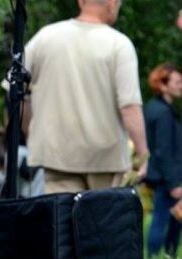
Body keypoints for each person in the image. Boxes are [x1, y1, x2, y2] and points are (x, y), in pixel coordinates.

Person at [22, 0, 149, 194]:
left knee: (62, 220)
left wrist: (30, 132)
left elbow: (18, 95)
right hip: (105, 160)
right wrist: (142, 155)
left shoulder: (45, 37)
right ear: (113, 3)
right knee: (100, 221)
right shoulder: (119, 44)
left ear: (80, 1)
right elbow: (129, 107)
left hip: (56, 157)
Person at [143, 63, 182, 259]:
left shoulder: (157, 108)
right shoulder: (163, 113)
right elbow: (164, 150)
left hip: (163, 174)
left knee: (174, 217)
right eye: (177, 81)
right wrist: (174, 182)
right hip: (166, 177)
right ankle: (155, 257)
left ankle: (168, 255)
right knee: (162, 218)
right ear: (163, 85)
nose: (181, 85)